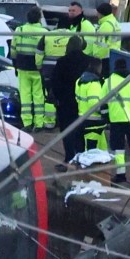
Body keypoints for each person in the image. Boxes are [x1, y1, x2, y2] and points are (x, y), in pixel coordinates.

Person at [104, 58, 130, 187]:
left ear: (115, 67)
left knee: (118, 149)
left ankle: (121, 175)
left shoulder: (109, 82)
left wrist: (106, 119)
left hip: (116, 120)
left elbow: (102, 104)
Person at [51, 35, 90, 170]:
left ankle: (69, 158)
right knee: (80, 131)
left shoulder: (62, 62)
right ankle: (81, 158)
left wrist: (58, 98)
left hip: (66, 103)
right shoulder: (88, 61)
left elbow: (55, 82)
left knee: (67, 131)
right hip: (83, 102)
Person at [10, 7, 48, 129]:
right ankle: (39, 123)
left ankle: (27, 123)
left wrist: (15, 65)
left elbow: (13, 50)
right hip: (38, 69)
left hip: (22, 67)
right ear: (39, 18)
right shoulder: (44, 32)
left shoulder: (19, 30)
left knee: (25, 96)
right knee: (39, 96)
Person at [38, 19, 73, 130]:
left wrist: (39, 67)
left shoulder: (47, 35)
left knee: (50, 96)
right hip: (66, 71)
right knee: (64, 96)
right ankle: (62, 121)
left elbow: (39, 53)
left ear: (57, 26)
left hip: (48, 71)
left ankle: (49, 123)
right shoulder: (73, 35)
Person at [75, 58, 108, 151]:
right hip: (94, 122)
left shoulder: (79, 81)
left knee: (92, 149)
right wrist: (105, 111)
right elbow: (94, 104)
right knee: (92, 150)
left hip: (82, 118)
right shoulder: (94, 84)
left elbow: (77, 98)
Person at [93, 2, 122, 73]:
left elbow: (101, 44)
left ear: (101, 13)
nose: (97, 14)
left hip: (104, 58)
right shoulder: (114, 22)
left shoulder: (106, 25)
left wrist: (97, 57)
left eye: (98, 12)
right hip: (113, 55)